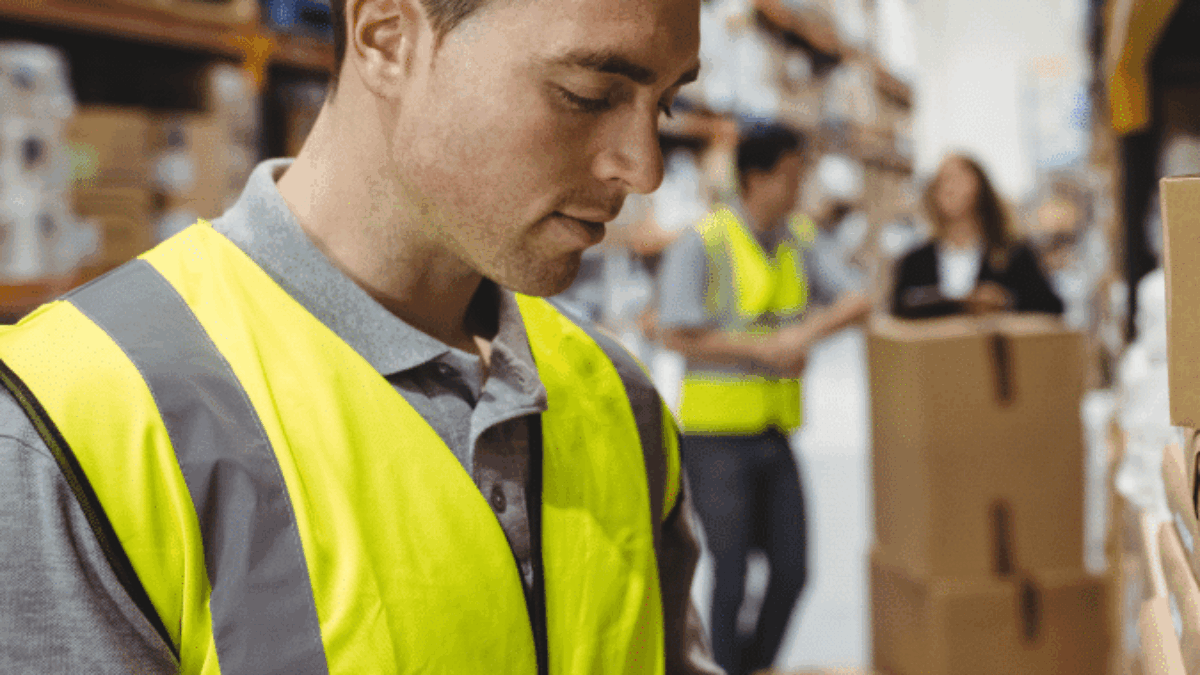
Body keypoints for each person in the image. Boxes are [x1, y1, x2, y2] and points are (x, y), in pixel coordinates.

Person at [0, 0, 726, 673]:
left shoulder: (616, 398)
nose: (644, 168)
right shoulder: (78, 420)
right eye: (588, 94)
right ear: (387, 36)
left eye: (664, 104)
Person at [657, 124, 868, 675]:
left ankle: (750, 667)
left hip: (776, 429)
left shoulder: (799, 237)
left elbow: (857, 299)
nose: (801, 188)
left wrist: (803, 337)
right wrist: (763, 350)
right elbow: (674, 331)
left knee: (793, 571)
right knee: (730, 572)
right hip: (715, 436)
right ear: (756, 177)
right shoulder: (702, 242)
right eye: (792, 176)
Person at [891, 153, 1065, 319]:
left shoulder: (1014, 254)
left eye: (958, 179)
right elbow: (897, 312)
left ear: (980, 186)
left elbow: (1051, 308)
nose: (949, 187)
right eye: (941, 180)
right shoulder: (914, 262)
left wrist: (1005, 302)